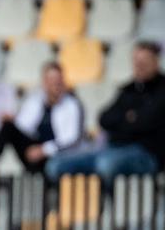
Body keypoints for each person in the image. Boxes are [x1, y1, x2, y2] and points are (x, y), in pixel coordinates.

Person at [45, 41, 165, 185]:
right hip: (112, 148)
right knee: (56, 164)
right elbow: (104, 119)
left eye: (144, 62)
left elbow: (146, 121)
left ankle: (108, 206)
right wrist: (130, 119)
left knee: (106, 165)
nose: (139, 66)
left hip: (147, 153)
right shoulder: (128, 89)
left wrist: (126, 121)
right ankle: (70, 205)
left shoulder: (161, 91)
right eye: (136, 61)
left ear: (156, 61)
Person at [0, 62, 83, 174]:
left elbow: (72, 139)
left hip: (57, 155)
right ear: (44, 82)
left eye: (58, 79)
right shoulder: (35, 100)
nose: (55, 83)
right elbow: (23, 125)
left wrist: (44, 150)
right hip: (34, 150)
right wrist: (13, 120)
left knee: (46, 164)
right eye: (51, 79)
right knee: (8, 126)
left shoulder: (72, 105)